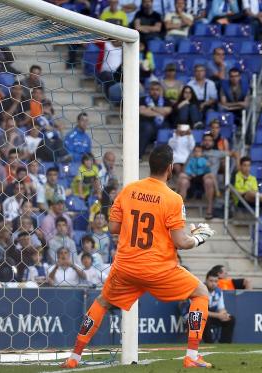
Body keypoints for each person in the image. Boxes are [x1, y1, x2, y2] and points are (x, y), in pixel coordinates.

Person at [61, 145, 217, 369]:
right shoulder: (173, 199)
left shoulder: (128, 190)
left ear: (150, 165)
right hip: (158, 270)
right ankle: (192, 355)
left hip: (126, 267)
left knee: (102, 302)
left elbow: (113, 227)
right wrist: (199, 237)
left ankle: (74, 357)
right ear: (170, 168)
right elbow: (180, 242)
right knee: (201, 293)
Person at [178, 145, 217, 220]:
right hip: (192, 179)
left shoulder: (205, 160)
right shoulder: (191, 160)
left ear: (202, 153)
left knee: (209, 181)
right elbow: (187, 170)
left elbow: (208, 171)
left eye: (199, 151)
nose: (197, 153)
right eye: (195, 151)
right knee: (183, 180)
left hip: (202, 180)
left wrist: (207, 167)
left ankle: (210, 209)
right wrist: (190, 174)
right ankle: (178, 209)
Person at [139, 81, 172, 158]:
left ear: (160, 91)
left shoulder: (166, 100)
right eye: (152, 89)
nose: (155, 92)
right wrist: (161, 112)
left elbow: (168, 111)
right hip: (146, 126)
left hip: (161, 126)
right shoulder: (142, 99)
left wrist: (152, 108)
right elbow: (142, 111)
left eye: (157, 90)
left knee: (166, 127)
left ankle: (164, 157)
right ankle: (138, 155)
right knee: (147, 127)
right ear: (149, 90)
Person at [202, 270, 236, 343]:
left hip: (212, 316)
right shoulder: (201, 290)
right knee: (204, 318)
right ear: (206, 280)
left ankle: (224, 343)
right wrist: (218, 315)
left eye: (216, 281)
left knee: (230, 319)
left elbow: (221, 308)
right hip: (199, 317)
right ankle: (209, 343)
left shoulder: (219, 291)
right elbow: (201, 311)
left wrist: (224, 314)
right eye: (211, 281)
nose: (213, 283)